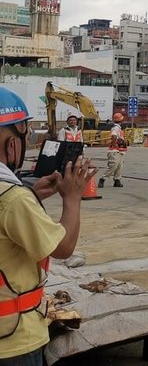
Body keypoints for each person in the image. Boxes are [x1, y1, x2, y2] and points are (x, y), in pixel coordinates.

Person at [0, 87, 96, 364]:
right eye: (26, 133)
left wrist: (29, 191)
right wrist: (73, 198)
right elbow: (62, 248)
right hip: (12, 339)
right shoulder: (13, 200)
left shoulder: (16, 197)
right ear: (11, 144)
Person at [99, 113, 127, 189]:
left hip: (120, 150)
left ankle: (117, 180)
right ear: (121, 120)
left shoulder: (118, 128)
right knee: (113, 166)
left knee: (119, 166)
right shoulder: (116, 128)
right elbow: (114, 136)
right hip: (115, 150)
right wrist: (115, 145)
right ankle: (102, 179)